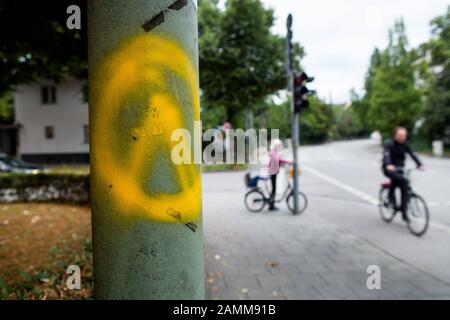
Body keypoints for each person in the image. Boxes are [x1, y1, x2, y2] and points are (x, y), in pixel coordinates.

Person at [382, 127, 424, 221]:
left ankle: (404, 213)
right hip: (388, 168)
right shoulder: (389, 144)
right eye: (400, 135)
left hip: (400, 169)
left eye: (404, 135)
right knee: (400, 179)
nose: (402, 137)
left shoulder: (406, 144)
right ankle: (390, 198)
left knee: (404, 187)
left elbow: (413, 154)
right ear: (395, 135)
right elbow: (386, 155)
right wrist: (388, 164)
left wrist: (420, 164)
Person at [268, 139, 292, 211]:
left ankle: (271, 204)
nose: (279, 146)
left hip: (274, 171)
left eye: (279, 145)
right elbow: (277, 160)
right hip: (273, 172)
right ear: (275, 145)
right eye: (278, 145)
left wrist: (285, 162)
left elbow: (278, 160)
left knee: (274, 189)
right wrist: (287, 162)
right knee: (274, 189)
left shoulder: (275, 151)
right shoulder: (273, 152)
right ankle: (271, 205)